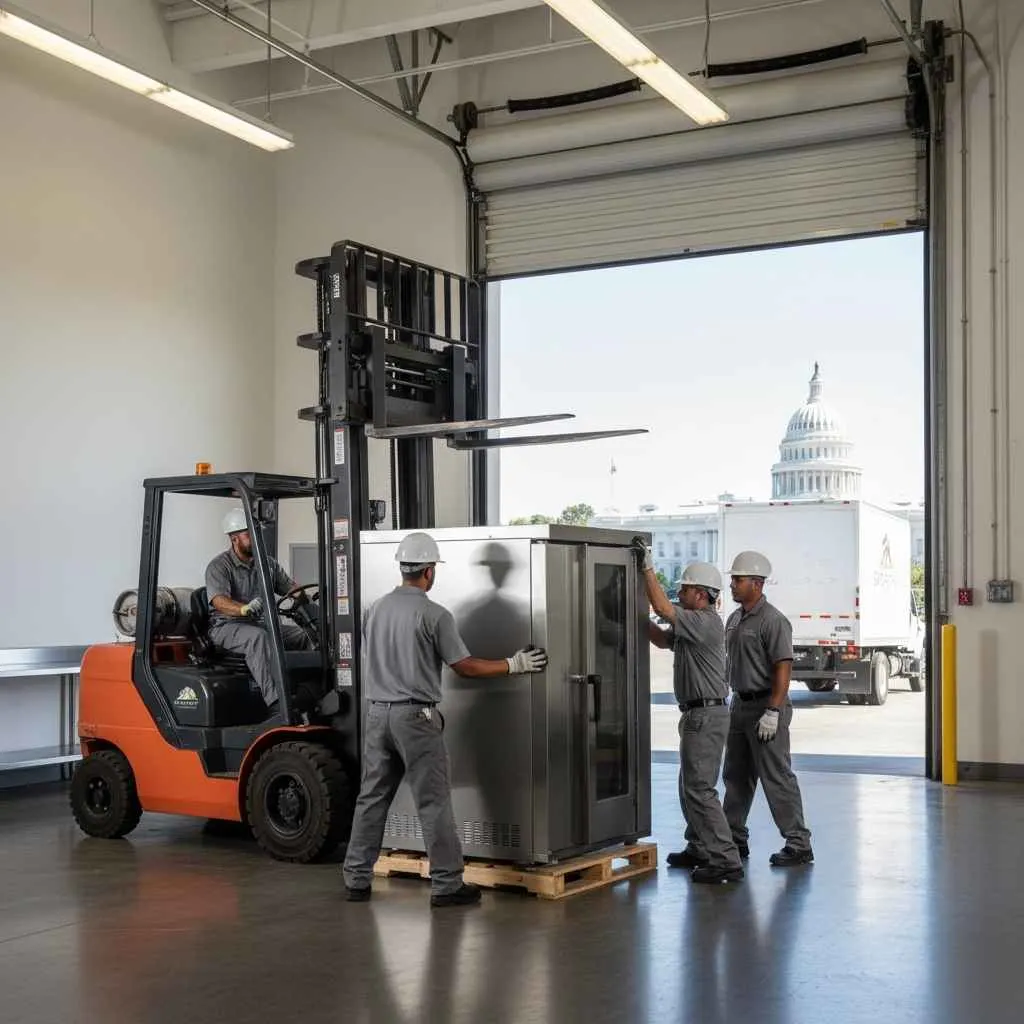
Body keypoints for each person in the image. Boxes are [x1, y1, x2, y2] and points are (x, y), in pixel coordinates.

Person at [342, 531, 548, 908]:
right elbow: (464, 667)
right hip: (414, 717)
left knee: (370, 798)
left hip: (376, 715)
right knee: (433, 802)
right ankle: (447, 884)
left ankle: (356, 879)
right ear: (429, 571)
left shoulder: (375, 609)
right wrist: (514, 665)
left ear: (404, 568)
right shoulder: (434, 614)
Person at [633, 541, 744, 884]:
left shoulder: (705, 621)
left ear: (702, 594)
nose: (679, 592)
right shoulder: (693, 625)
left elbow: (665, 610)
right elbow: (662, 639)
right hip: (696, 715)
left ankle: (725, 859)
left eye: (685, 588)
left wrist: (646, 568)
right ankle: (699, 847)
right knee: (689, 787)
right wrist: (631, 613)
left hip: (706, 716)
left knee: (700, 789)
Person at [722, 550, 813, 866]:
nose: (732, 584)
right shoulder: (734, 619)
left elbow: (782, 669)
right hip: (739, 706)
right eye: (733, 579)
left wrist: (773, 711)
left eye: (738, 579)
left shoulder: (773, 621)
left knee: (776, 776)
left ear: (757, 584)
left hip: (765, 706)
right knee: (735, 775)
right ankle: (733, 838)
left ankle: (799, 843)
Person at [205, 507, 312, 710]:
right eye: (249, 534)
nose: (255, 538)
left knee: (304, 635)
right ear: (234, 538)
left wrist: (304, 597)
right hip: (227, 626)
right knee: (258, 638)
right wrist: (244, 609)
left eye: (256, 532)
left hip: (262, 623)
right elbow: (219, 601)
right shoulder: (219, 566)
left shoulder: (267, 564)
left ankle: (309, 691)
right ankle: (277, 703)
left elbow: (290, 588)